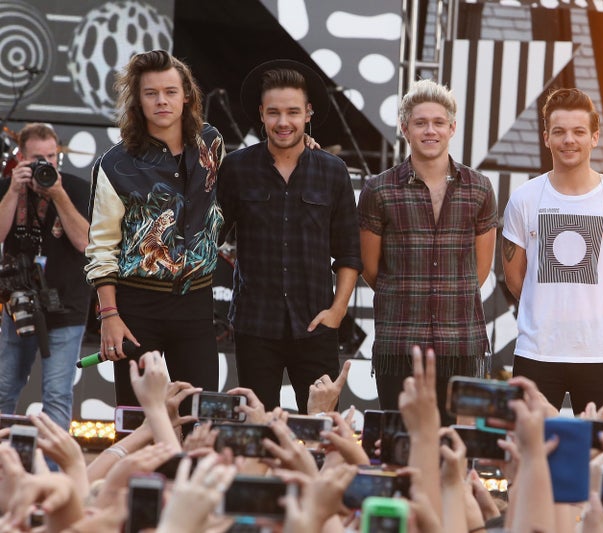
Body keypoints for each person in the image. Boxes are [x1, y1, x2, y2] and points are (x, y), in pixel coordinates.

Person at [218, 59, 362, 413]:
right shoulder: (236, 168)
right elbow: (209, 235)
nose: (284, 122)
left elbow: (348, 253)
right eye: (274, 112)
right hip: (255, 324)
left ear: (308, 113)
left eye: (293, 112)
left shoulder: (333, 172)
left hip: (316, 325)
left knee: (321, 430)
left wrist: (337, 311)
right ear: (261, 114)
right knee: (257, 430)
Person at [85, 49, 225, 407]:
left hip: (196, 302)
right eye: (151, 93)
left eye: (170, 91)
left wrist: (305, 148)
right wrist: (110, 316)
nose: (162, 100)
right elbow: (101, 248)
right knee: (134, 423)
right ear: (137, 100)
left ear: (187, 95)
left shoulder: (211, 143)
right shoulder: (113, 165)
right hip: (136, 306)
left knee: (199, 417)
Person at [357, 79, 497, 423]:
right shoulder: (379, 189)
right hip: (400, 340)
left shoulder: (479, 188)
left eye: (438, 123)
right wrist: (407, 294)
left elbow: (480, 270)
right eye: (420, 123)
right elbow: (370, 268)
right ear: (405, 128)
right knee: (400, 447)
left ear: (452, 128)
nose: (429, 131)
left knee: (456, 449)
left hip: (460, 341)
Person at [501, 87, 603, 413]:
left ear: (594, 137)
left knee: (598, 451)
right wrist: (545, 315)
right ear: (546, 137)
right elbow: (513, 278)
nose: (569, 140)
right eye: (560, 132)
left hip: (599, 356)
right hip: (537, 353)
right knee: (528, 446)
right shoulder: (524, 199)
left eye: (579, 131)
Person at [0, 123, 91, 431]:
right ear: (21, 159)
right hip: (19, 306)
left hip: (66, 305)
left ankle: (53, 476)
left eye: (51, 157)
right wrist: (13, 190)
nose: (45, 165)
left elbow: (84, 243)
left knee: (56, 395)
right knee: (3, 390)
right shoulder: (8, 187)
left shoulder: (76, 189)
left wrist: (59, 194)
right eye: (37, 158)